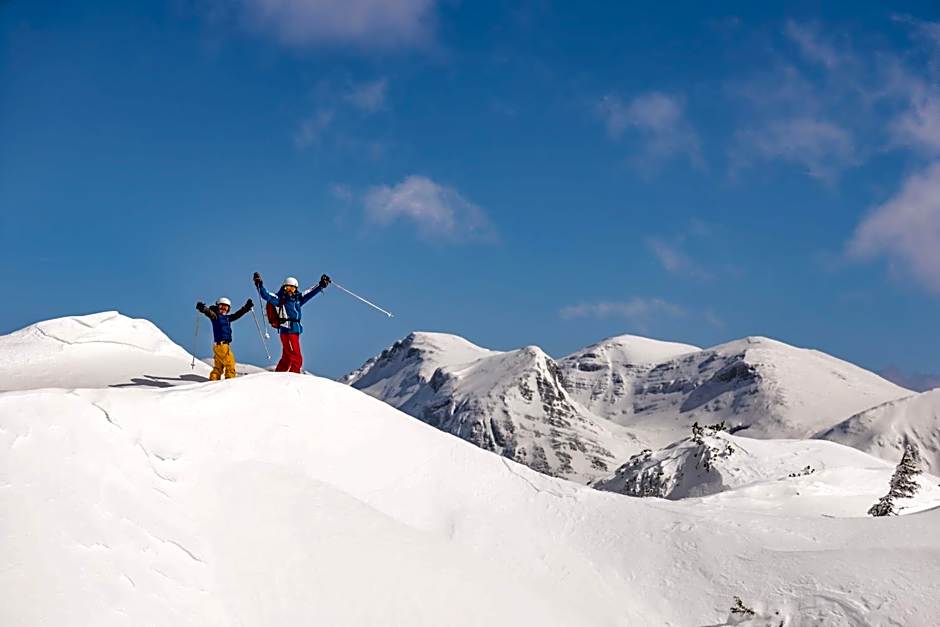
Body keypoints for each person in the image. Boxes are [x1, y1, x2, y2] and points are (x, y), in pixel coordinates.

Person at [253, 272, 330, 373]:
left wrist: (321, 285)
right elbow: (266, 295)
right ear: (283, 288)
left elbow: (309, 293)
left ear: (296, 289)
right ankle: (294, 380)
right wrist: (259, 284)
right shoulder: (280, 299)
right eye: (287, 288)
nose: (289, 290)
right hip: (287, 331)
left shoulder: (298, 299)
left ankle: (277, 377)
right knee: (297, 358)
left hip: (295, 330)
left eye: (292, 288)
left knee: (287, 358)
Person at [195, 297, 253, 381]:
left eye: (226, 308)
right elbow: (209, 313)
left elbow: (237, 315)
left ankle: (213, 381)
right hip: (223, 346)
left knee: (218, 366)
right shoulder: (215, 316)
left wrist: (246, 308)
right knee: (230, 364)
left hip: (218, 346)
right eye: (221, 307)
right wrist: (203, 308)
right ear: (217, 307)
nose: (223, 309)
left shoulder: (227, 318)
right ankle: (230, 382)